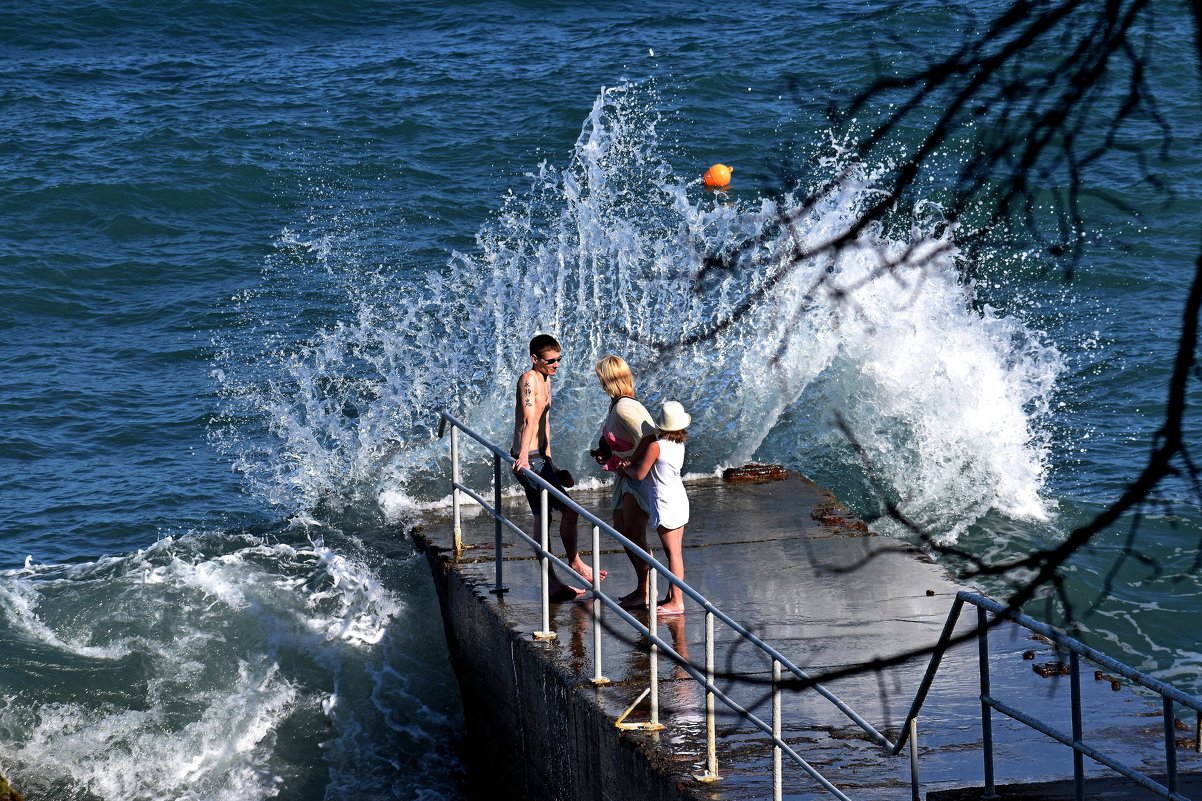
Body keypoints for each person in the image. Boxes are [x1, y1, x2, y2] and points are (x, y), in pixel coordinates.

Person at [511, 334, 601, 601]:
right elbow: (529, 420)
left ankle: (552, 583)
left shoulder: (546, 379)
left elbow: (544, 423)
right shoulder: (529, 380)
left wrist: (552, 462)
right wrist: (525, 458)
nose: (556, 364)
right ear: (534, 359)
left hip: (541, 459)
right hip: (529, 460)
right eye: (550, 360)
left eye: (558, 359)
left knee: (544, 517)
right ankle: (574, 562)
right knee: (570, 511)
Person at [592, 355, 658, 609]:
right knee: (624, 532)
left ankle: (647, 590)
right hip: (625, 479)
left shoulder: (624, 407)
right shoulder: (616, 404)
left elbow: (652, 439)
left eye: (601, 377)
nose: (599, 381)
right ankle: (642, 586)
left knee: (635, 536)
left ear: (609, 379)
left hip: (635, 481)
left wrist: (632, 464)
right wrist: (608, 455)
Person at [621, 401, 691, 616]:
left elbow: (640, 474)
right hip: (679, 497)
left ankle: (677, 602)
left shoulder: (656, 446)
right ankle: (672, 597)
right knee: (676, 553)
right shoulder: (679, 444)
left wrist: (626, 468)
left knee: (673, 555)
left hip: (665, 501)